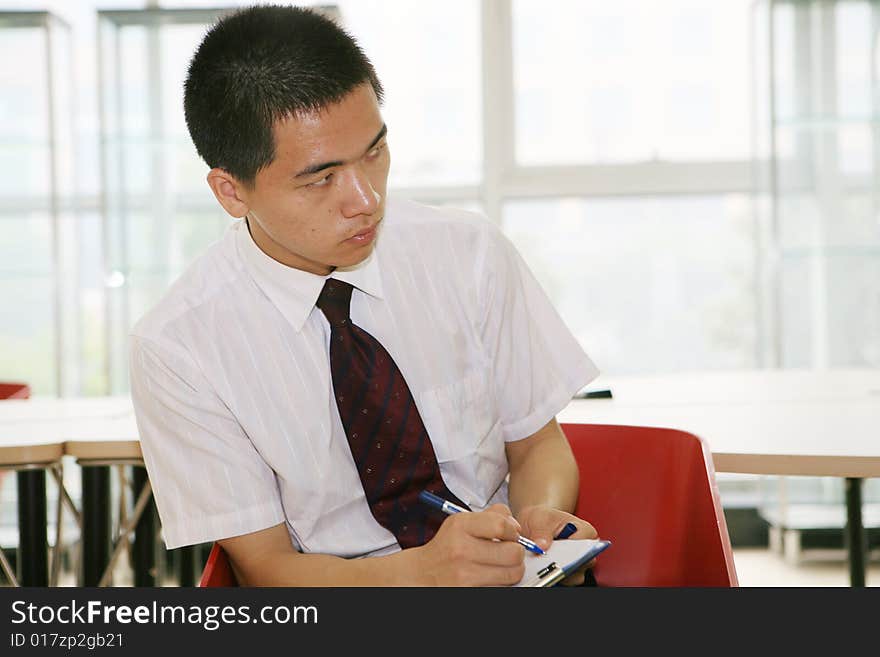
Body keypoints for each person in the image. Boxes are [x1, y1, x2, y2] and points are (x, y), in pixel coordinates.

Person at [129, 4, 601, 587]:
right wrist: (424, 574)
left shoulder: (466, 253)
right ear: (231, 191)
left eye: (374, 152)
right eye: (320, 178)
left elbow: (536, 446)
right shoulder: (179, 347)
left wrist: (540, 521)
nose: (365, 200)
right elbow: (265, 567)